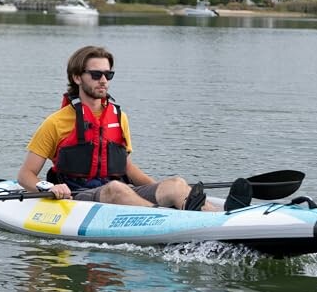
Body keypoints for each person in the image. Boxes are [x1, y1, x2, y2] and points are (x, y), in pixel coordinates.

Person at [18, 45, 251, 212]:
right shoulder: (55, 122)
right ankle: (173, 219)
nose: (103, 80)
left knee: (177, 184)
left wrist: (161, 188)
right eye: (96, 74)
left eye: (108, 74)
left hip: (120, 190)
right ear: (77, 78)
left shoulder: (119, 118)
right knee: (116, 189)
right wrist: (49, 187)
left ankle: (224, 217)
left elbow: (126, 167)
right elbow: (25, 175)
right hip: (79, 196)